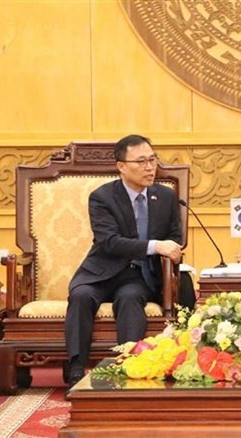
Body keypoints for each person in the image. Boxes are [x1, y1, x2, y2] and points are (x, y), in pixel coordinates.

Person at [65, 134, 183, 388]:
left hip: (138, 275)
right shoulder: (102, 197)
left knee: (130, 298)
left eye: (152, 159)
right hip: (101, 271)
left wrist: (172, 248)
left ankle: (128, 364)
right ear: (121, 166)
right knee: (81, 295)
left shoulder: (165, 196)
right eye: (141, 161)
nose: (150, 167)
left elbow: (175, 237)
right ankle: (76, 366)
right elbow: (110, 241)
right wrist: (155, 246)